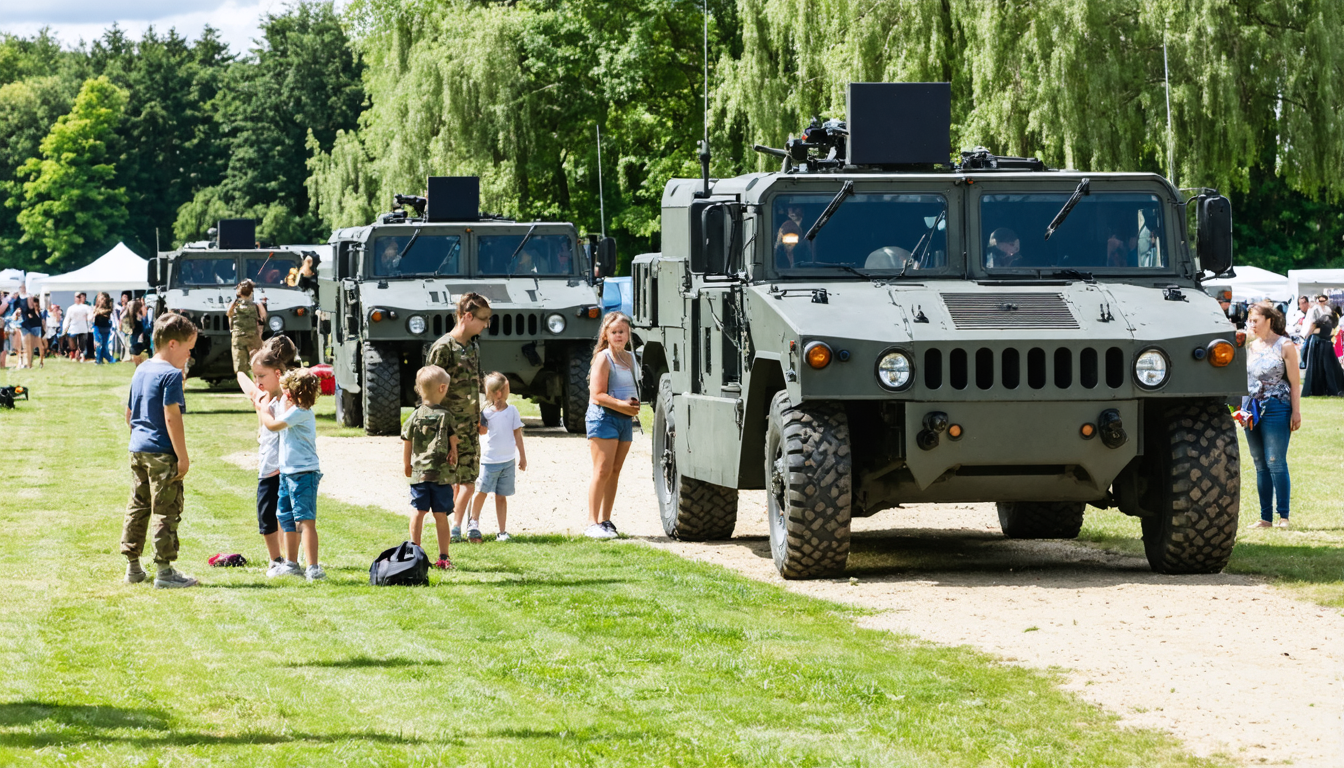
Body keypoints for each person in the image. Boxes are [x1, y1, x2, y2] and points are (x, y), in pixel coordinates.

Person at [122, 312, 199, 588]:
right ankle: (165, 572)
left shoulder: (141, 369)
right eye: (189, 348)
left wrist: (138, 438)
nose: (189, 355)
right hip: (162, 452)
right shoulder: (171, 374)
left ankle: (133, 567)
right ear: (173, 345)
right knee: (166, 509)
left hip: (137, 448)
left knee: (138, 506)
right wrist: (182, 456)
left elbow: (129, 413)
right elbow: (171, 416)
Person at [425, 292, 492, 543]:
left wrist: (481, 417)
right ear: (467, 316)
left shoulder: (472, 346)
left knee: (468, 479)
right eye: (483, 319)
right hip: (448, 428)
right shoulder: (443, 348)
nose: (486, 325)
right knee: (447, 481)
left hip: (469, 427)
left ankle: (456, 527)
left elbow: (474, 383)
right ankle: (449, 528)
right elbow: (429, 391)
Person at [237, 336, 302, 577]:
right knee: (266, 515)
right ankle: (275, 559)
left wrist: (263, 402)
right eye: (256, 376)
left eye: (261, 376)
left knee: (289, 515)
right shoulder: (263, 396)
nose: (257, 381)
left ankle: (290, 560)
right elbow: (241, 377)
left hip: (287, 467)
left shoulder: (289, 399)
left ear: (278, 372)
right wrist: (257, 390)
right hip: (268, 466)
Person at [254, 368, 325, 581]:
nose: (283, 395)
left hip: (303, 475)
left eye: (286, 392)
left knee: (305, 521)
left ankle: (313, 567)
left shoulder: (300, 413)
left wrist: (263, 410)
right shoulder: (292, 410)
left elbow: (273, 425)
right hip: (287, 474)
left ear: (295, 395)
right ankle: (291, 563)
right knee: (286, 518)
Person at [1237, 302, 1302, 529]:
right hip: (1250, 409)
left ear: (1269, 320)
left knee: (1275, 461)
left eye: (1255, 320)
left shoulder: (1285, 345)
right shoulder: (1250, 347)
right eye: (1250, 321)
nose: (1251, 325)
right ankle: (1265, 518)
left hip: (1277, 406)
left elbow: (1295, 383)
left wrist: (1296, 411)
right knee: (1259, 463)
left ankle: (1283, 516)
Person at [584, 312, 640, 540]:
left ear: (628, 334)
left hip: (625, 421)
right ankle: (591, 522)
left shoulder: (632, 358)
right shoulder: (603, 358)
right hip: (603, 418)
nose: (618, 335)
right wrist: (623, 405)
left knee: (615, 472)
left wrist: (633, 405)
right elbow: (597, 395)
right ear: (606, 335)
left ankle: (605, 520)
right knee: (602, 470)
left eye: (622, 332)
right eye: (614, 332)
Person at [401, 365, 460, 569]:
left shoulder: (414, 416)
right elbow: (453, 440)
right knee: (440, 515)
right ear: (442, 388)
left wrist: (406, 464)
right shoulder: (446, 415)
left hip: (419, 474)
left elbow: (407, 441)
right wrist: (454, 453)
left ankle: (414, 554)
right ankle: (444, 557)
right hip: (442, 475)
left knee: (418, 511)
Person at [470, 372, 527, 542]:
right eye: (507, 388)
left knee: (501, 496)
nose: (510, 390)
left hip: (507, 461)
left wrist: (522, 457)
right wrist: (478, 420)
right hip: (489, 461)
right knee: (482, 492)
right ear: (499, 393)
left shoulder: (513, 411)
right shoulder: (486, 413)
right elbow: (482, 431)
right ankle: (473, 522)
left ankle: (502, 531)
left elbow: (518, 435)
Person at [1301, 294, 1344, 396]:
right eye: (1320, 300)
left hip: (1321, 340)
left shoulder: (1322, 310)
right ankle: (1330, 388)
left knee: (1322, 365)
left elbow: (1315, 324)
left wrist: (1308, 334)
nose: (1322, 302)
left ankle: (1326, 388)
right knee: (1326, 365)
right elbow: (1315, 324)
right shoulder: (1321, 310)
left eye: (1323, 300)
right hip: (1322, 340)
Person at [227, 280, 267, 376]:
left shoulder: (234, 304)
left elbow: (229, 315)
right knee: (257, 362)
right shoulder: (256, 305)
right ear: (251, 291)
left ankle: (244, 385)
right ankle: (257, 383)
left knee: (240, 366)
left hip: (238, 338)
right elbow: (263, 316)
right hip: (253, 337)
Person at [15, 294, 43, 369]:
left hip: (30, 327)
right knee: (26, 347)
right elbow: (16, 317)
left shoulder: (35, 310)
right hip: (25, 327)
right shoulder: (23, 309)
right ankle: (27, 364)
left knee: (29, 347)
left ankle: (29, 364)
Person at [64, 292, 93, 362]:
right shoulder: (71, 308)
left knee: (82, 345)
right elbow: (67, 319)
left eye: (79, 297)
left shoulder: (86, 307)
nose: (78, 299)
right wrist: (65, 328)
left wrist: (88, 319)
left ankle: (81, 356)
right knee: (73, 345)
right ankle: (74, 355)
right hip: (73, 329)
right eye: (77, 297)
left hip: (83, 329)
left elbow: (90, 316)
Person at [92, 292, 117, 364]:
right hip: (98, 327)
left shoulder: (109, 307)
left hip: (106, 327)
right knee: (99, 344)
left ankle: (105, 358)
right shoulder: (96, 307)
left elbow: (109, 312)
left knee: (104, 345)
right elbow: (93, 315)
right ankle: (100, 359)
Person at [126, 299, 152, 365]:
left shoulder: (131, 317)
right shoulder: (140, 319)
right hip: (141, 345)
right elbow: (146, 329)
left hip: (134, 344)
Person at [42, 302, 62, 367]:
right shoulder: (46, 313)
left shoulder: (57, 314)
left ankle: (54, 352)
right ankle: (46, 352)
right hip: (47, 329)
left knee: (55, 341)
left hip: (54, 330)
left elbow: (58, 321)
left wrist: (56, 314)